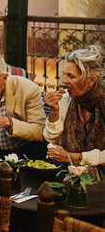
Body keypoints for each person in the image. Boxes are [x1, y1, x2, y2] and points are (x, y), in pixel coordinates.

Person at [44, 45, 105, 181]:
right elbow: (51, 139)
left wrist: (73, 156)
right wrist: (54, 111)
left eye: (71, 76)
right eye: (64, 75)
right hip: (69, 173)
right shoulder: (66, 99)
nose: (64, 81)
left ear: (91, 80)